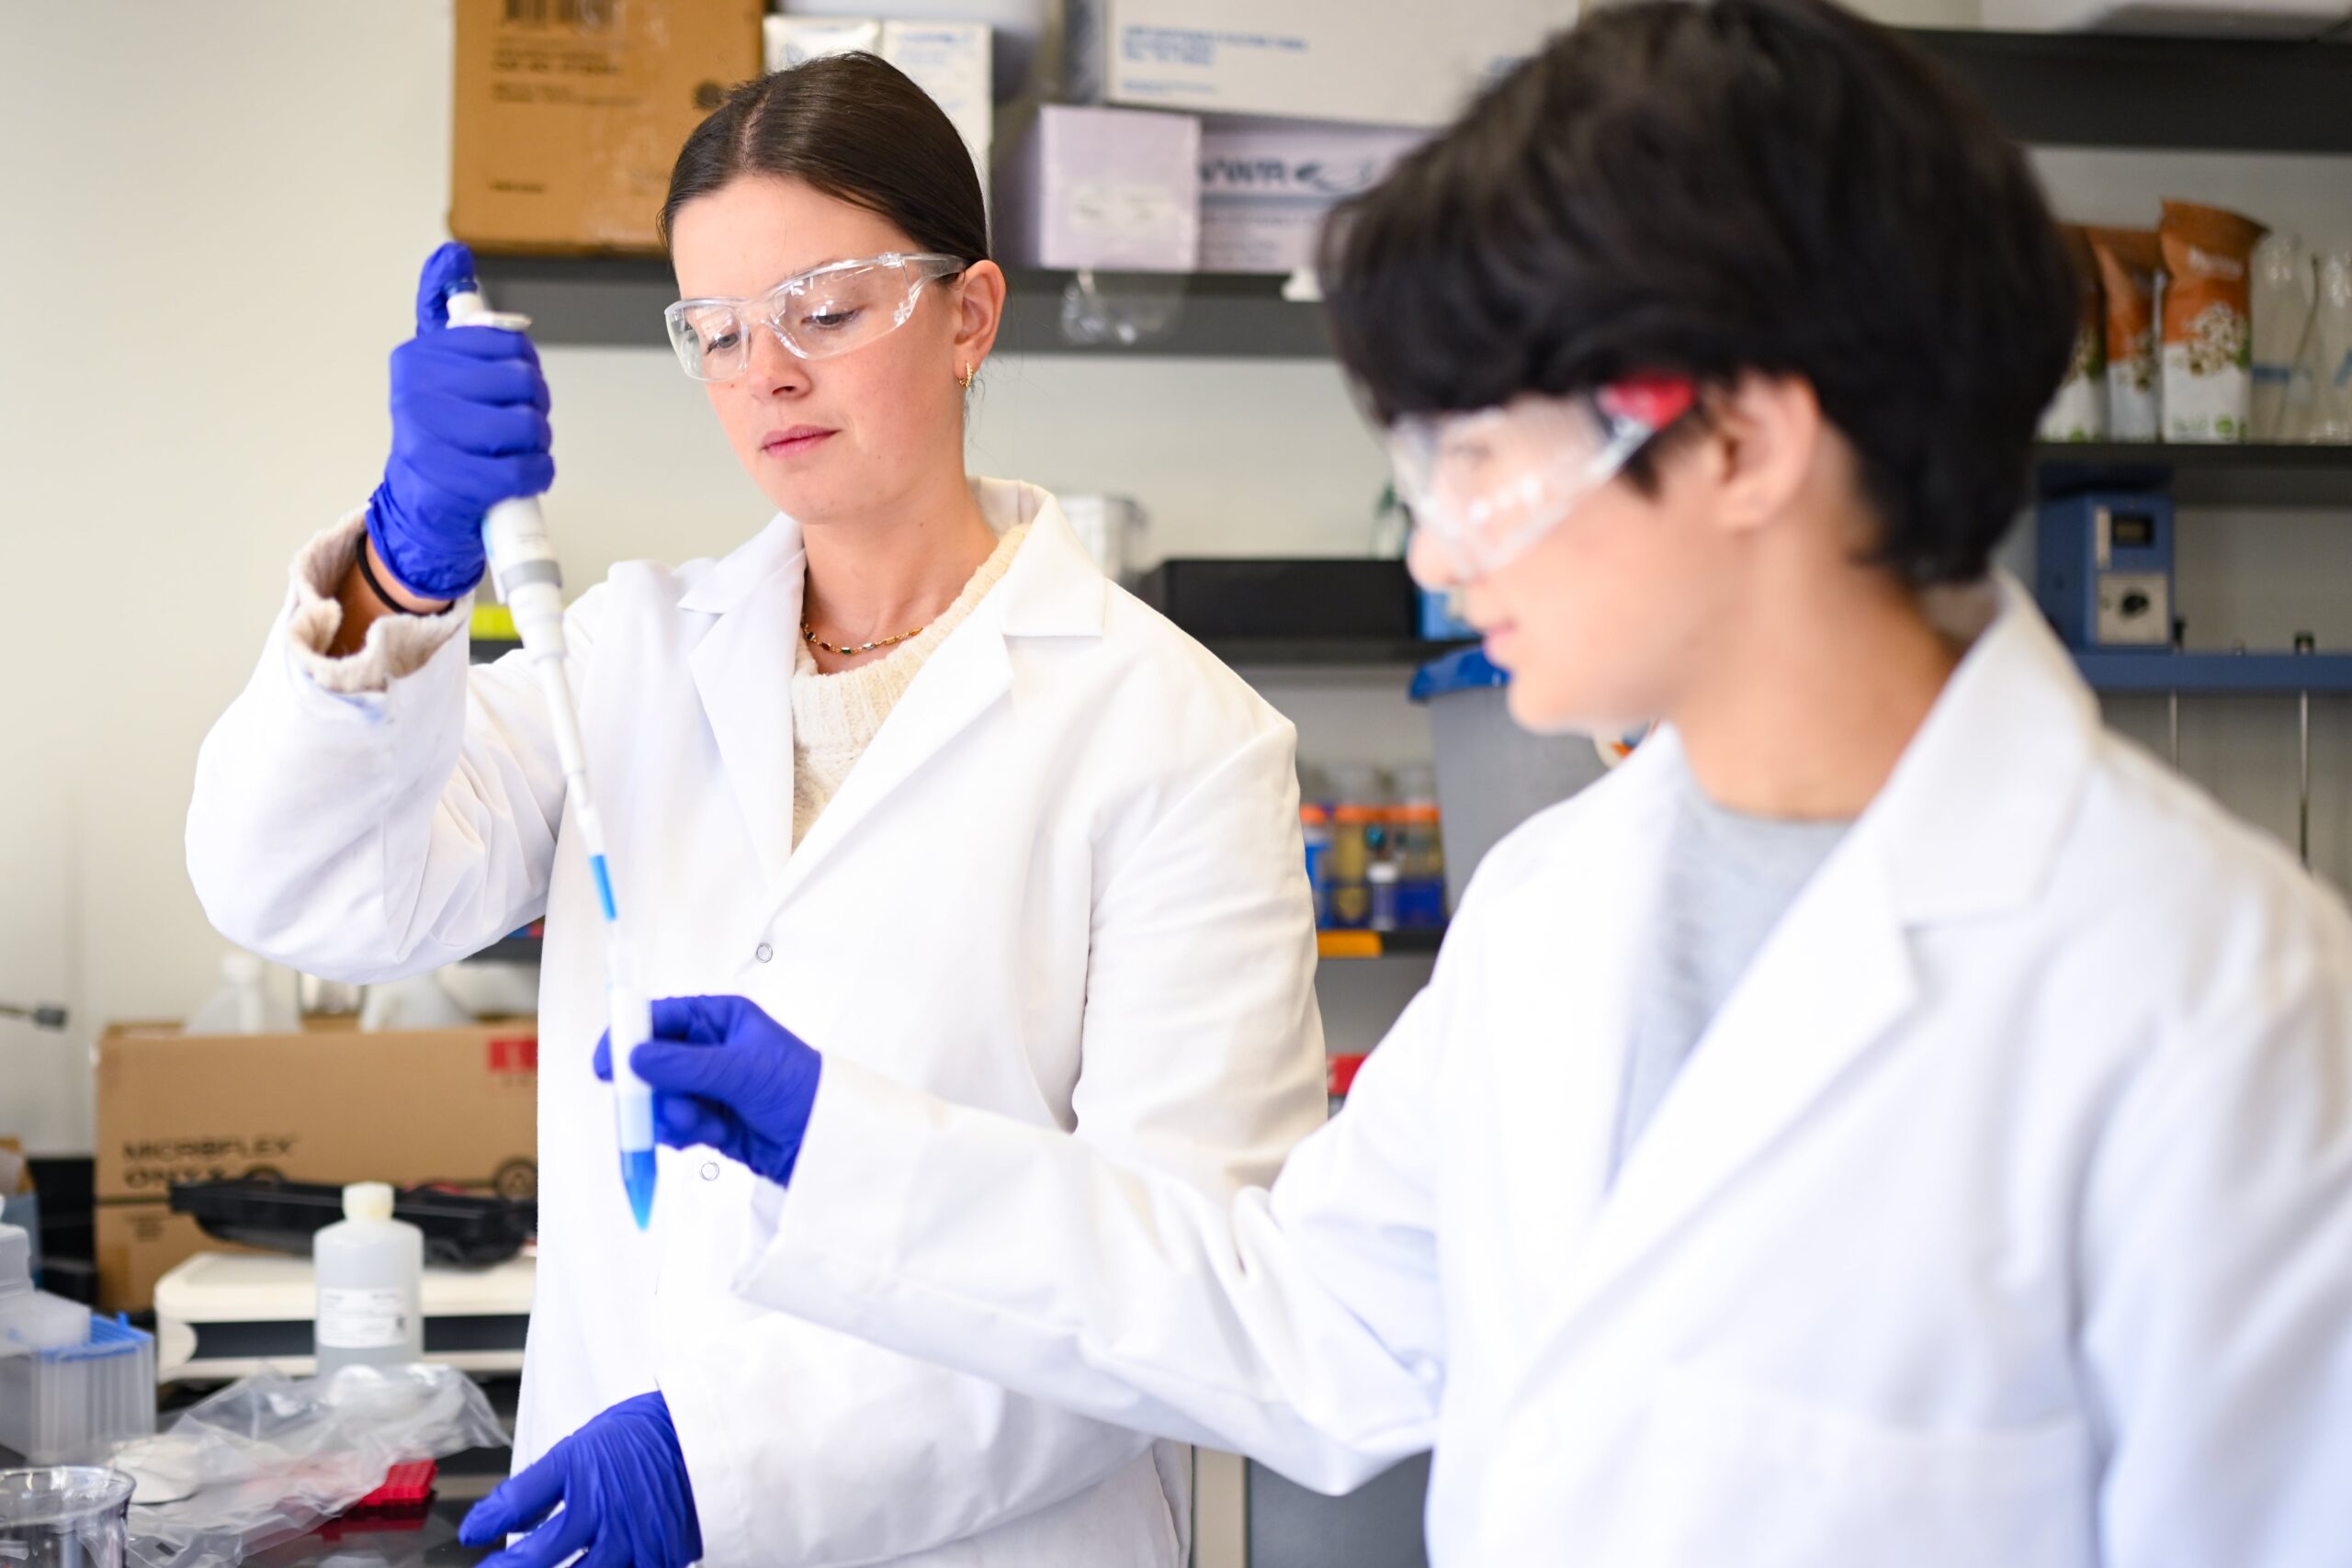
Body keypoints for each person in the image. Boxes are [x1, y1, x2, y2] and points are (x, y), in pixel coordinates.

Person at [559, 3, 2352, 1564]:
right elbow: (1303, 1314)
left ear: (1738, 436)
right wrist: (859, 1156)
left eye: (1474, 450)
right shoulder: (1556, 905)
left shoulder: (2213, 1001)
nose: (1429, 535)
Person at [185, 51, 1328, 1568]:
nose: (768, 373)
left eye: (827, 310)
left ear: (970, 314)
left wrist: (731, 1465)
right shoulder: (631, 653)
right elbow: (307, 894)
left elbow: (1189, 1287)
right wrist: (402, 571)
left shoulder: (1181, 737)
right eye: (716, 333)